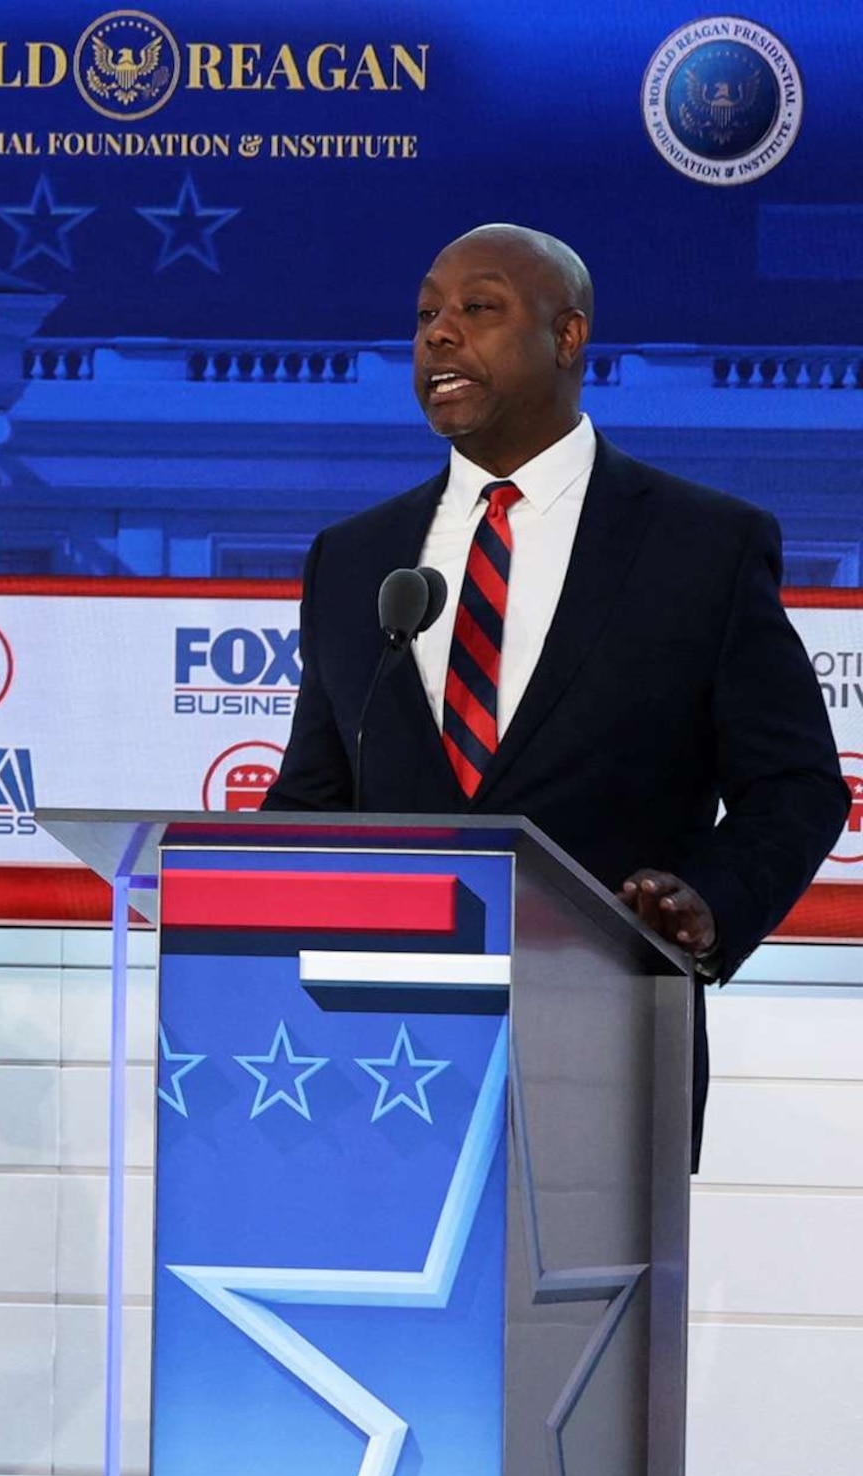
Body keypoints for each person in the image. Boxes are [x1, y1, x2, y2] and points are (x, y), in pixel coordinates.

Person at [267, 224, 847, 1142]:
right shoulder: (354, 560)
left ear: (568, 337)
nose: (438, 334)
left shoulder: (703, 546)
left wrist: (708, 905)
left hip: (605, 1054)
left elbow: (798, 787)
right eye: (426, 315)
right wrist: (236, 897)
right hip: (367, 1064)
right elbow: (310, 801)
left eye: (478, 308)